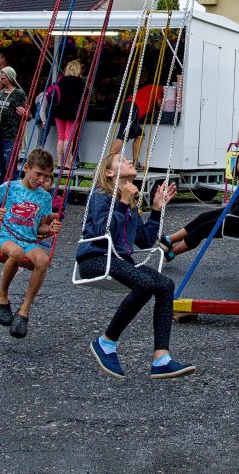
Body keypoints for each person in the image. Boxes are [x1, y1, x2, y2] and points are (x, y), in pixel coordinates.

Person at [76, 152, 195, 379]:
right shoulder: (100, 196)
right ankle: (106, 342)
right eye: (121, 160)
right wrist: (122, 203)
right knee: (145, 283)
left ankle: (161, 358)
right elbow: (101, 233)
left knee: (165, 285)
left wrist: (157, 210)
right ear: (109, 173)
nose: (129, 161)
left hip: (119, 261)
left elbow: (145, 240)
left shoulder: (130, 203)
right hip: (96, 259)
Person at [0, 148, 62, 339]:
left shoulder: (44, 197)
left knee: (43, 260)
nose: (41, 180)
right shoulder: (9, 187)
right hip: (4, 237)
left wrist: (50, 229)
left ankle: (24, 310)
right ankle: (1, 294)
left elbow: (40, 227)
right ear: (26, 168)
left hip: (27, 240)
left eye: (46, 176)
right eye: (38, 174)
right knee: (16, 253)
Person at [158, 151, 239, 258]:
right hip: (238, 216)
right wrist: (233, 205)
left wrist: (233, 206)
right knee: (203, 217)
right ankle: (169, 239)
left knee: (203, 228)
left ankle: (172, 253)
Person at [110, 79, 163, 170]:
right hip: (133, 107)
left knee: (140, 134)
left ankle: (135, 162)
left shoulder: (149, 87)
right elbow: (160, 103)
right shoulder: (158, 89)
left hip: (128, 105)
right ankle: (108, 163)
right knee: (122, 136)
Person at [0, 66, 28, 188]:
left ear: (10, 78)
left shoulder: (19, 93)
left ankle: (12, 192)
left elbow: (29, 115)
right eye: (0, 78)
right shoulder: (1, 92)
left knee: (10, 168)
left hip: (11, 136)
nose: (0, 80)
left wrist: (25, 114)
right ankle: (0, 192)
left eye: (3, 78)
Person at [50, 59, 87, 169]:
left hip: (58, 111)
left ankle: (59, 162)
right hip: (72, 113)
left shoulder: (61, 80)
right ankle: (67, 162)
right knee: (68, 138)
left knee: (60, 138)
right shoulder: (80, 82)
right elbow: (83, 97)